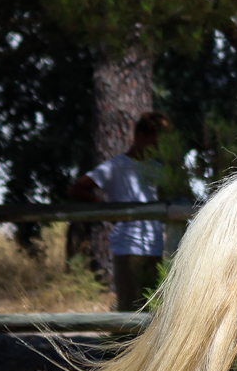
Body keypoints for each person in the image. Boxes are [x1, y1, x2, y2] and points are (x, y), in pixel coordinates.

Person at [70, 111, 172, 312]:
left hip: (155, 247)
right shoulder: (116, 166)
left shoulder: (158, 168)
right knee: (129, 310)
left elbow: (166, 198)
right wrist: (107, 210)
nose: (157, 149)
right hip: (127, 248)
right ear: (139, 137)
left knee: (153, 310)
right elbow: (77, 189)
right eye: (154, 143)